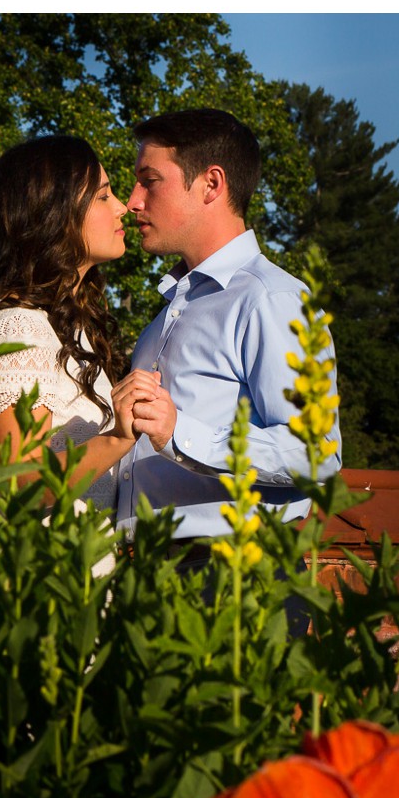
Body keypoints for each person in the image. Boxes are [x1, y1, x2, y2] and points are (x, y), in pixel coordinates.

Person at [118, 108, 341, 539]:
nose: (133, 201)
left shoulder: (272, 299)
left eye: (149, 181)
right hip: (148, 576)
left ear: (211, 184)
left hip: (231, 576)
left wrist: (178, 432)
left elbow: (316, 453)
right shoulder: (167, 313)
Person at [0, 136, 171, 516]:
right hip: (35, 570)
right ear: (54, 215)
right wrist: (117, 438)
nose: (122, 208)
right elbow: (21, 483)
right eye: (103, 196)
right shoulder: (16, 328)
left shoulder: (70, 332)